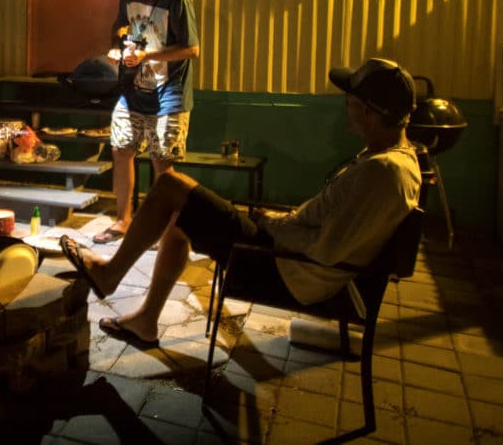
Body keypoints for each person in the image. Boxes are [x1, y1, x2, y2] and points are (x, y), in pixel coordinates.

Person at [60, 58, 421, 346]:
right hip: (287, 256)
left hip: (283, 268)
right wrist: (278, 219)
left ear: (368, 112)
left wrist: (271, 224)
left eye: (351, 101)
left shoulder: (384, 172)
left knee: (170, 185)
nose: (346, 107)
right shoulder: (390, 158)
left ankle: (110, 275)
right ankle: (145, 320)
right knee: (180, 214)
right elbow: (331, 229)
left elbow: (325, 249)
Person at [94, 0, 199, 244]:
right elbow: (120, 31)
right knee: (121, 148)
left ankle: (165, 229)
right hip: (133, 88)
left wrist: (148, 56)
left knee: (162, 160)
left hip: (169, 92)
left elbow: (192, 49)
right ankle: (123, 220)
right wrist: (117, 49)